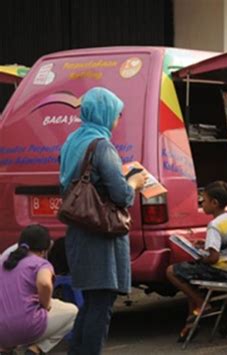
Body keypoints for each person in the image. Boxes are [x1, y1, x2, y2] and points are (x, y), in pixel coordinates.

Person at [59, 87, 146, 355]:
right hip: (101, 236)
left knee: (91, 302)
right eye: (117, 114)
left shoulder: (72, 141)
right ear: (105, 113)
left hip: (79, 232)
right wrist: (134, 181)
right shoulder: (102, 146)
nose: (117, 120)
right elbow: (121, 195)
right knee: (101, 305)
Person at [166, 181, 227, 342]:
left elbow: (213, 258)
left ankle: (201, 303)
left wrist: (200, 257)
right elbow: (225, 244)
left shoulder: (214, 225)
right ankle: (195, 313)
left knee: (172, 271)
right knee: (189, 272)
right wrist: (205, 244)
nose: (202, 203)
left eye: (204, 200)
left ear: (214, 203)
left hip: (220, 271)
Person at [0, 225, 78, 355]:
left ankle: (5, 349)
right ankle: (35, 350)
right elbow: (44, 283)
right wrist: (45, 304)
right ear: (46, 249)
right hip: (26, 327)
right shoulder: (40, 263)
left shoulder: (4, 261)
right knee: (73, 312)